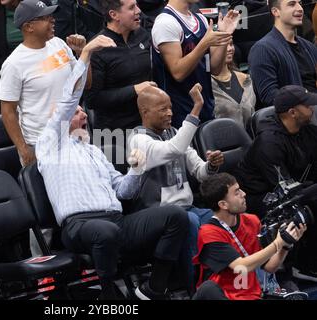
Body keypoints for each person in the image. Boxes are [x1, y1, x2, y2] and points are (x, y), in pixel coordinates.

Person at [36, 34, 189, 300]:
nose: (83, 113)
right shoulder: (50, 144)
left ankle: (153, 288)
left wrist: (137, 169)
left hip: (115, 220)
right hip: (79, 226)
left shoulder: (94, 150)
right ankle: (110, 297)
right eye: (76, 112)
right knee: (106, 232)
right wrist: (84, 56)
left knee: (175, 216)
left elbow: (123, 191)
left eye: (83, 111)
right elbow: (67, 100)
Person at [128, 84, 223, 293]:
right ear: (145, 112)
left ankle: (234, 285)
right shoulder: (138, 139)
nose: (170, 112)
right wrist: (197, 106)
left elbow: (200, 172)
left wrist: (212, 165)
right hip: (159, 214)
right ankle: (195, 291)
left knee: (222, 221)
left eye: (170, 107)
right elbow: (172, 150)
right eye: (163, 109)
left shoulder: (174, 133)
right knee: (189, 222)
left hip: (188, 208)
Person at [235, 85, 317, 280]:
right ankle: (303, 265)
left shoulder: (307, 131)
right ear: (292, 112)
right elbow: (285, 191)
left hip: (293, 186)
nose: (313, 108)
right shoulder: (269, 142)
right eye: (307, 105)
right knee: (310, 205)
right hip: (259, 197)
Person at [0, 0, 88, 168]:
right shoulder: (14, 64)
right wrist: (23, 149)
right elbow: (7, 111)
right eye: (45, 17)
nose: (53, 20)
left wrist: (83, 53)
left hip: (75, 134)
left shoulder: (59, 44)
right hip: (43, 143)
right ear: (29, 27)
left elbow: (85, 84)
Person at [193, 173, 306, 300]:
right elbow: (241, 266)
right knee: (208, 288)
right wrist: (277, 244)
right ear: (223, 204)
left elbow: (270, 267)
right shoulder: (209, 233)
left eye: (240, 189)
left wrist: (286, 244)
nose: (243, 194)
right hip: (224, 295)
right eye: (236, 193)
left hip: (252, 295)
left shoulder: (252, 221)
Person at [151, 0, 240, 128]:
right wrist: (204, 44)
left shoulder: (201, 19)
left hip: (206, 109)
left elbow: (215, 68)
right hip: (179, 114)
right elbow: (178, 73)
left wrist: (224, 34)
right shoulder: (165, 22)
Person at [84, 0, 156, 131]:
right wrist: (134, 90)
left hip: (144, 125)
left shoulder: (142, 35)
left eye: (137, 5)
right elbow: (92, 100)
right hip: (112, 132)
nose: (138, 11)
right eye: (132, 8)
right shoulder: (98, 47)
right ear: (114, 15)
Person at [249, 0, 317, 108]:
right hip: (293, 118)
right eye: (292, 4)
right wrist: (306, 101)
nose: (300, 8)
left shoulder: (309, 47)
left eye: (300, 3)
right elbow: (270, 97)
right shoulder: (262, 49)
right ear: (276, 11)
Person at [211, 40, 256, 128]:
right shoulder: (206, 84)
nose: (229, 49)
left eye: (231, 44)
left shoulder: (246, 79)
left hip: (251, 139)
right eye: (222, 45)